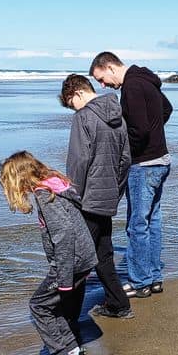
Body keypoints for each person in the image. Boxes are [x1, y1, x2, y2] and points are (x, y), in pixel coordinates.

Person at [0, 151, 98, 355]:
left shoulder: (46, 195)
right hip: (83, 258)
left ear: (19, 179)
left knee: (39, 306)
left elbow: (63, 236)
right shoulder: (57, 187)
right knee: (56, 307)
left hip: (70, 263)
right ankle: (74, 352)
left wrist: (63, 278)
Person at [89, 52, 173, 299]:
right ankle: (154, 277)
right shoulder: (146, 81)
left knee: (137, 225)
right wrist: (155, 135)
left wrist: (124, 152)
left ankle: (140, 282)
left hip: (143, 164)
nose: (103, 86)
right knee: (151, 221)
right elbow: (166, 109)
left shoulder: (132, 86)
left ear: (111, 67)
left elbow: (139, 130)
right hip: (161, 160)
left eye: (102, 79)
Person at [59, 73, 133, 319]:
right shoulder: (117, 115)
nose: (73, 109)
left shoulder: (84, 117)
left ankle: (68, 315)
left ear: (78, 93)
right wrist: (116, 191)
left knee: (79, 258)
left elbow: (79, 161)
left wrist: (72, 195)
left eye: (71, 103)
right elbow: (125, 160)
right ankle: (119, 304)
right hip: (107, 197)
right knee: (103, 253)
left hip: (88, 199)